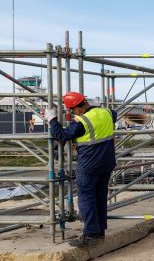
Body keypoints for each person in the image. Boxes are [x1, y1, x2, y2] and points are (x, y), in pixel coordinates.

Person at [45, 92, 117, 247]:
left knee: (86, 196)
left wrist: (52, 120)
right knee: (100, 195)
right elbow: (114, 116)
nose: (72, 113)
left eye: (71, 110)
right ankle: (99, 231)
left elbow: (63, 136)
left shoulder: (81, 121)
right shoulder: (107, 113)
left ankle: (91, 234)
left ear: (76, 108)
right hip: (108, 161)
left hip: (90, 163)